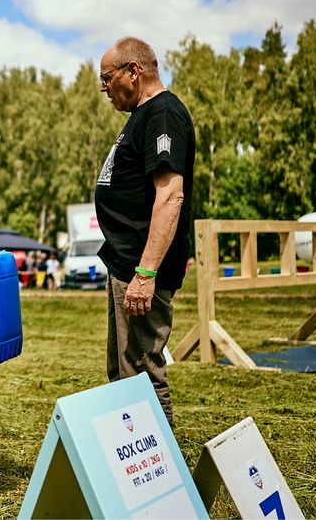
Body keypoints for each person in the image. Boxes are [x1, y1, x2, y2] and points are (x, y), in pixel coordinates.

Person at [94, 36, 195, 429]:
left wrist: (146, 273)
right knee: (123, 377)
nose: (104, 88)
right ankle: (134, 474)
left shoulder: (163, 114)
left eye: (107, 78)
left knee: (142, 375)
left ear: (133, 72)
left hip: (141, 271)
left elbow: (171, 196)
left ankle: (164, 480)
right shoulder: (142, 117)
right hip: (126, 266)